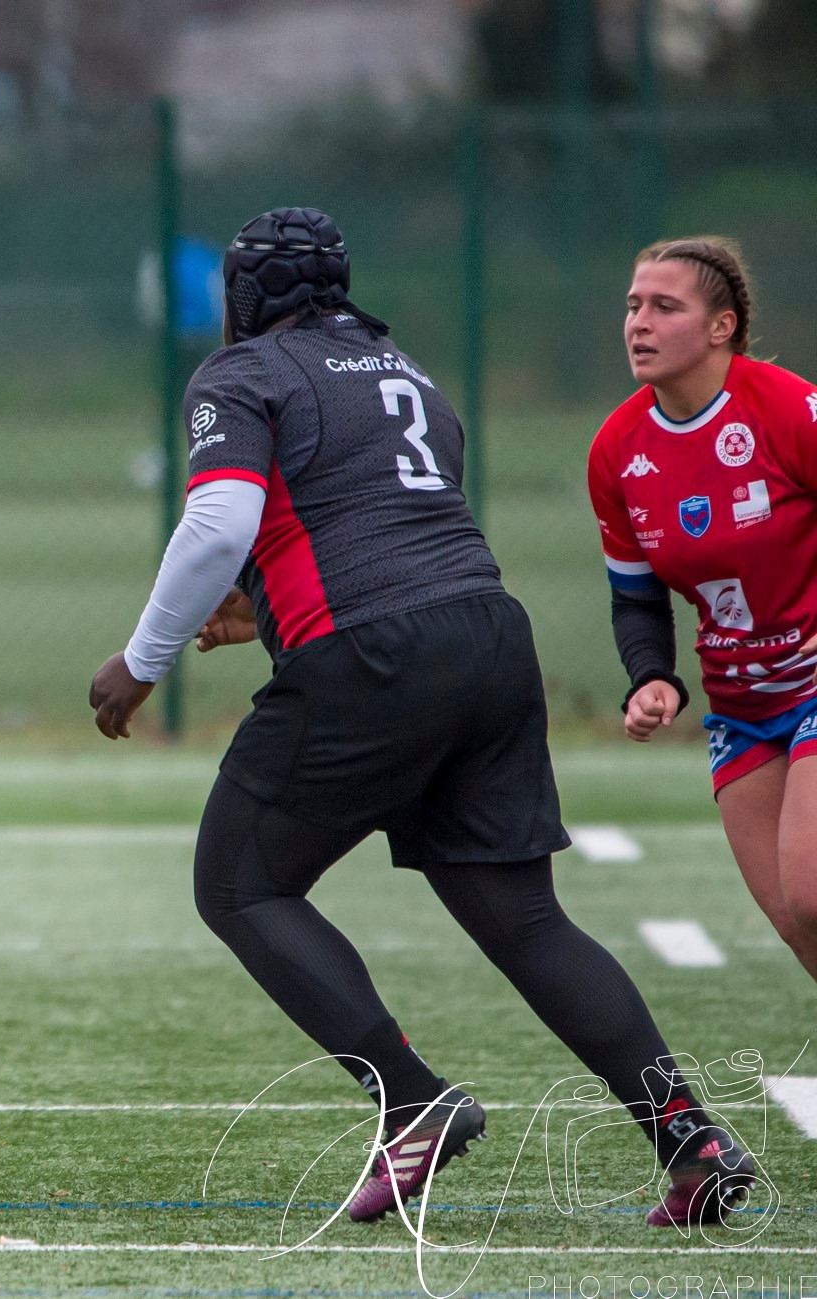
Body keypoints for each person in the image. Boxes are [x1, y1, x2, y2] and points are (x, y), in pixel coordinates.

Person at [89, 208, 756, 1228]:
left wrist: (139, 663)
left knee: (237, 883)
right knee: (525, 920)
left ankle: (411, 1099)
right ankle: (689, 1140)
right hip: (486, 639)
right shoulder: (402, 370)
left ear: (246, 296)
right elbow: (375, 523)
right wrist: (267, 611)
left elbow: (221, 520)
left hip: (374, 657)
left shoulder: (244, 372)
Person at [590, 236, 817, 985]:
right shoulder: (618, 450)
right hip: (742, 705)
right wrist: (652, 676)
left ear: (720, 327)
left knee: (813, 891)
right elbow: (636, 598)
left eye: (664, 306)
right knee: (797, 924)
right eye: (632, 306)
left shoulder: (785, 407)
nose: (639, 323)